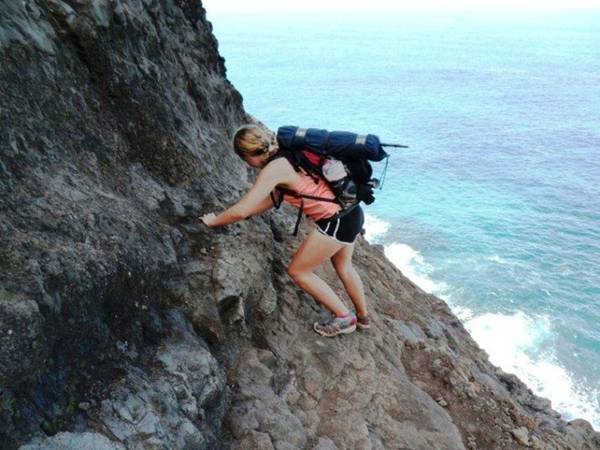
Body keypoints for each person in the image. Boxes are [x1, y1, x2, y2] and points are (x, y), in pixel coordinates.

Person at [200, 124, 371, 337]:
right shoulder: (286, 154)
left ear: (249, 154)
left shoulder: (274, 168)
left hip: (337, 222)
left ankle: (345, 318)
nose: (248, 164)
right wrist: (246, 213)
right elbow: (274, 198)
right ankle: (364, 318)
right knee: (343, 266)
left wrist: (214, 221)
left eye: (244, 159)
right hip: (352, 213)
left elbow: (241, 209)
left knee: (298, 271)